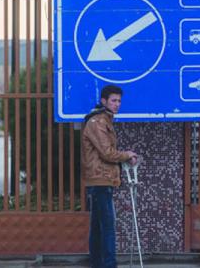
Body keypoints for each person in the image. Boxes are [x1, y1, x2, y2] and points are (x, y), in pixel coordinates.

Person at [82, 84, 138, 268]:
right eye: (113, 100)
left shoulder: (104, 120)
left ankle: (98, 264)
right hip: (100, 180)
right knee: (107, 227)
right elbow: (106, 152)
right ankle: (108, 264)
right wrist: (127, 154)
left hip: (101, 179)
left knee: (99, 227)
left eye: (119, 101)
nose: (117, 104)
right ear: (104, 101)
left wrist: (124, 157)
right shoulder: (98, 122)